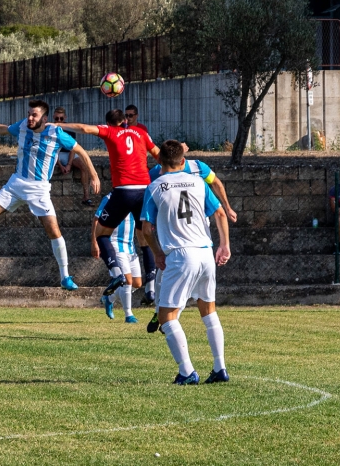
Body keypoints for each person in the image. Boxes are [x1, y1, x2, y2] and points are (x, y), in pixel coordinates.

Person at [0, 100, 100, 290]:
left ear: (45, 118)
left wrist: (94, 175)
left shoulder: (55, 133)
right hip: (16, 183)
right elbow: (4, 129)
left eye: (35, 115)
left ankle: (65, 276)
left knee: (54, 231)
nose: (30, 118)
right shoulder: (23, 126)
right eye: (29, 114)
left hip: (39, 189)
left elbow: (80, 150)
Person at [141, 139, 231, 385]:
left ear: (159, 161)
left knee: (166, 316)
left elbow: (146, 228)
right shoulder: (199, 182)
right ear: (183, 161)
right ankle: (219, 367)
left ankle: (187, 371)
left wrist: (157, 252)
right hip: (205, 252)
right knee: (208, 310)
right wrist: (224, 245)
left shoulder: (154, 186)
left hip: (180, 255)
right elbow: (220, 213)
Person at [57, 109, 160, 297]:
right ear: (125, 120)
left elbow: (83, 129)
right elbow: (158, 155)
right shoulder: (141, 133)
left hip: (123, 191)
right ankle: (151, 288)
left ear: (108, 123)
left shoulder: (110, 132)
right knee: (145, 237)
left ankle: (116, 273)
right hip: (145, 191)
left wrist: (58, 125)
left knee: (101, 234)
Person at [145, 154, 238, 332]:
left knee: (175, 277)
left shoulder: (198, 167)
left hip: (193, 233)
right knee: (164, 277)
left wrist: (227, 206)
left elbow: (216, 183)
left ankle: (168, 317)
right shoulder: (158, 172)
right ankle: (162, 312)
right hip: (183, 235)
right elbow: (149, 197)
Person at [91, 192, 142, 323]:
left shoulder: (136, 197)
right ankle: (129, 315)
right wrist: (95, 242)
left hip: (129, 246)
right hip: (114, 244)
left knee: (137, 283)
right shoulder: (109, 198)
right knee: (127, 281)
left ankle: (109, 298)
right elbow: (97, 219)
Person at [52, 107, 93, 206]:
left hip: (68, 153)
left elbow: (73, 149)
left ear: (65, 118)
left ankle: (86, 197)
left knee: (84, 166)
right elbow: (52, 150)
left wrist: (69, 165)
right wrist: (61, 166)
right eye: (57, 118)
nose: (59, 121)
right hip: (55, 153)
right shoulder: (50, 128)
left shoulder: (69, 129)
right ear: (53, 117)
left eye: (61, 119)